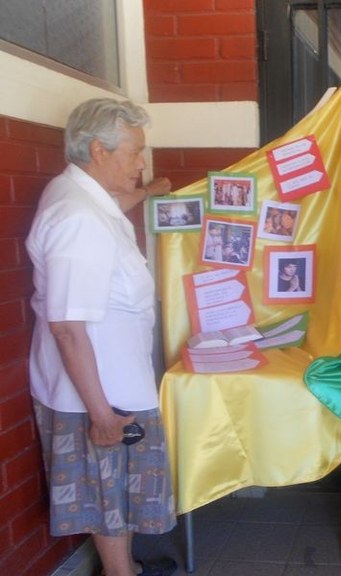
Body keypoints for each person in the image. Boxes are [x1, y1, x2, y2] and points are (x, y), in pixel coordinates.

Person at [25, 98, 177, 576]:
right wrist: (102, 416)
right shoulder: (78, 219)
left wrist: (148, 191)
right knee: (107, 495)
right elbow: (68, 329)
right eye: (134, 153)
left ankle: (126, 567)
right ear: (98, 150)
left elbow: (112, 208)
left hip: (113, 384)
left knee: (119, 493)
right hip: (98, 396)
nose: (141, 162)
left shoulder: (84, 195)